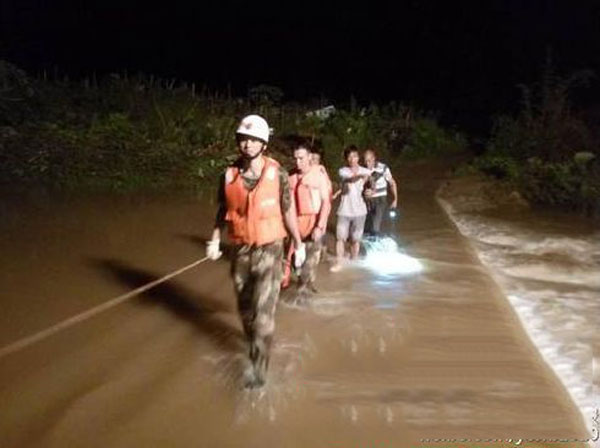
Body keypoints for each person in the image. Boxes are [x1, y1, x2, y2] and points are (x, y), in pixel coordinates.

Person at [206, 114, 305, 388]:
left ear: (263, 143)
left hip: (271, 252)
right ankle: (254, 346)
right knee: (245, 311)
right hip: (240, 252)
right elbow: (222, 210)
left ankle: (259, 372)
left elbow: (288, 211)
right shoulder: (228, 175)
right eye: (243, 139)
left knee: (263, 317)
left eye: (253, 140)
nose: (247, 144)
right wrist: (215, 240)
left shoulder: (279, 174)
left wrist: (298, 243)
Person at [285, 139, 332, 300]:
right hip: (295, 224)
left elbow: (326, 202)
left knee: (310, 262)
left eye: (302, 158)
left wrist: (320, 226)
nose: (298, 162)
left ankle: (303, 291)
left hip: (313, 223)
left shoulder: (318, 176)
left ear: (310, 157)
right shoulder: (290, 177)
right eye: (296, 158)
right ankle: (301, 283)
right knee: (294, 262)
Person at [331, 145, 371, 272]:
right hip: (344, 211)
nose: (353, 159)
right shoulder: (343, 171)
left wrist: (371, 190)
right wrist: (362, 176)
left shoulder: (366, 171)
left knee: (355, 240)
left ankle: (354, 262)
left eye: (355, 156)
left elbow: (371, 185)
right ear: (346, 159)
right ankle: (339, 262)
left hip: (360, 211)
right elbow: (350, 179)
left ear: (358, 157)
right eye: (350, 157)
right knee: (340, 238)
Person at [363, 148, 398, 236]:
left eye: (369, 161)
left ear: (374, 158)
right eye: (365, 161)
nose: (367, 163)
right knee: (365, 227)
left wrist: (395, 199)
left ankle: (376, 242)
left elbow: (392, 183)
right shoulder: (363, 169)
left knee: (375, 226)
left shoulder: (383, 168)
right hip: (368, 200)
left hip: (381, 199)